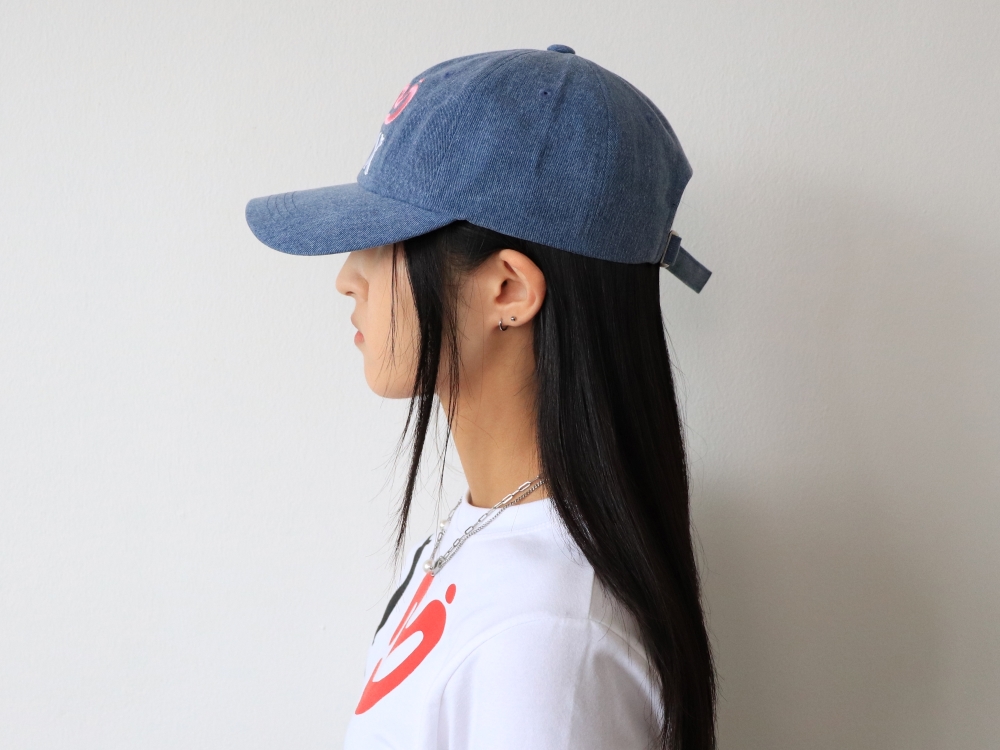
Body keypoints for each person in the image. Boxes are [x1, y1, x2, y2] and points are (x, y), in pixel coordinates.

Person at [246, 44, 716, 750]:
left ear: (509, 289)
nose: (348, 277)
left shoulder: (546, 641)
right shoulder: (488, 540)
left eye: (387, 238)